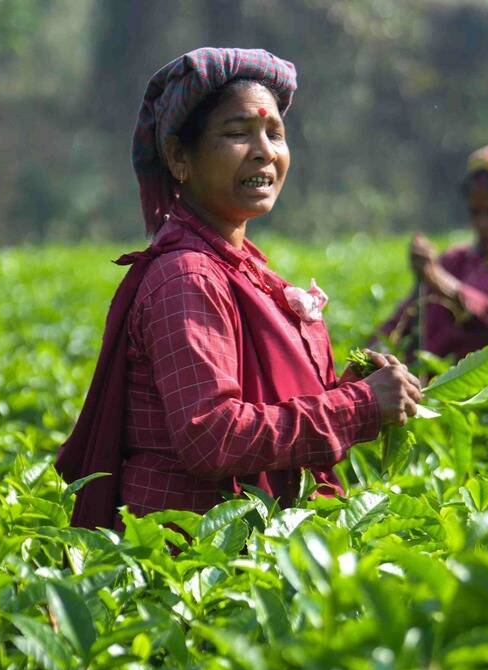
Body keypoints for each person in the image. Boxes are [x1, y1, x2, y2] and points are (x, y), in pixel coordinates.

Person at [56, 47, 422, 529]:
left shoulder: (244, 271)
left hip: (246, 547)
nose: (264, 151)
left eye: (275, 134)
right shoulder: (188, 278)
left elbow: (268, 404)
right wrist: (359, 406)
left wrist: (355, 389)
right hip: (187, 560)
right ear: (179, 158)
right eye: (236, 133)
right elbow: (213, 436)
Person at [373, 144, 488, 383]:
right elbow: (399, 323)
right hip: (429, 399)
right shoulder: (454, 261)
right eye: (476, 213)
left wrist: (446, 287)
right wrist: (374, 358)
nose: (483, 224)